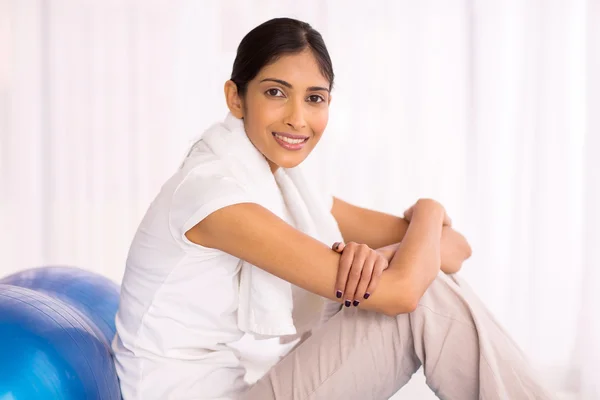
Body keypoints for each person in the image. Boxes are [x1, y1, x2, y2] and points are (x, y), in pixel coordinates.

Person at [112, 17, 555, 400]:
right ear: (236, 98)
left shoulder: (283, 187)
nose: (297, 119)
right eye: (276, 92)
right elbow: (404, 293)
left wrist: (385, 254)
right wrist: (427, 212)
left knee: (424, 281)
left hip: (242, 387)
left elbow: (455, 250)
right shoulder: (214, 197)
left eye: (315, 98)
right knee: (420, 298)